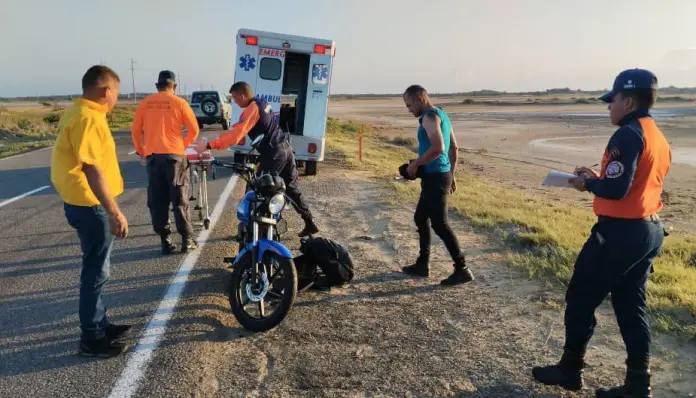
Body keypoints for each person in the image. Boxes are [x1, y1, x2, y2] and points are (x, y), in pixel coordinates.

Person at [532, 68, 671, 398]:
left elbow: (617, 189)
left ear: (628, 100)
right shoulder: (656, 135)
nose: (609, 107)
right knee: (630, 306)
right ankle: (639, 383)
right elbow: (633, 183)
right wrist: (599, 179)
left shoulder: (627, 133)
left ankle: (570, 370)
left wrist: (587, 183)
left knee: (580, 298)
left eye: (613, 101)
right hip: (648, 231)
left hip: (619, 235)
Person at [50, 65, 131, 357]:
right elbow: (91, 168)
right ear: (106, 91)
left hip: (80, 202)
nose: (116, 101)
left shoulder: (79, 112)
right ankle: (92, 338)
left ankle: (99, 323)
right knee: (96, 272)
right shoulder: (87, 118)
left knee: (98, 269)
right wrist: (114, 212)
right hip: (90, 204)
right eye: (117, 94)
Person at [194, 81, 319, 238]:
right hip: (287, 150)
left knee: (260, 190)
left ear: (242, 95)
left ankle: (255, 232)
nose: (235, 102)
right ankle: (309, 221)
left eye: (235, 98)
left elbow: (237, 133)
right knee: (291, 190)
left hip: (274, 152)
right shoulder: (262, 103)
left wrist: (209, 144)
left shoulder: (252, 109)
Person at [400, 85, 474, 286]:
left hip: (435, 177)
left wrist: (416, 164)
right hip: (439, 175)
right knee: (420, 217)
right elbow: (454, 148)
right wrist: (451, 174)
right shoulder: (442, 114)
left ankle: (462, 269)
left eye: (409, 104)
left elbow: (439, 148)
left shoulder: (429, 118)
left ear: (419, 99)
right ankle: (422, 264)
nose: (408, 109)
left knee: (440, 224)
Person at [131, 70, 200, 254]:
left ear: (157, 86)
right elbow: (194, 130)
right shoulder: (180, 102)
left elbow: (136, 129)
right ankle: (187, 240)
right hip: (175, 157)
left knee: (157, 200)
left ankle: (165, 240)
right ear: (174, 87)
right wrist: (182, 146)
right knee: (179, 199)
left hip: (154, 158)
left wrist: (141, 150)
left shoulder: (145, 103)